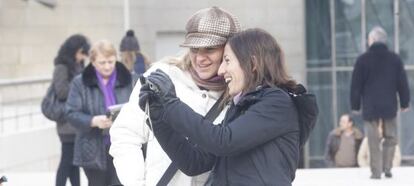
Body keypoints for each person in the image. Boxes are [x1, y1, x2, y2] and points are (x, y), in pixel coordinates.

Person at [139, 28, 300, 185]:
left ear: (253, 63)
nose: (221, 70)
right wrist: (159, 117)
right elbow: (193, 162)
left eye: (227, 60)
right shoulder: (240, 109)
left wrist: (171, 103)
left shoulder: (277, 103)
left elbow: (223, 142)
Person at [109, 7, 241, 186]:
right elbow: (125, 135)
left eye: (210, 49)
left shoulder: (242, 93)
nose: (200, 58)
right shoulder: (161, 77)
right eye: (194, 49)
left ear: (230, 50)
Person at [66, 40, 135, 186]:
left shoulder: (130, 79)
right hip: (93, 148)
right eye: (102, 63)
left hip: (123, 146)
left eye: (111, 61)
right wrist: (92, 121)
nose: (107, 66)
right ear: (92, 62)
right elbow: (70, 113)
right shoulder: (80, 83)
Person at [350, 26, 410, 179]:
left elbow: (356, 85)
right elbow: (402, 83)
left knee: (372, 139)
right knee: (391, 137)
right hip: (389, 105)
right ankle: (387, 167)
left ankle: (376, 172)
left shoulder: (363, 59)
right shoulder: (394, 59)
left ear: (372, 40)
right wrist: (404, 102)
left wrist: (355, 105)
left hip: (370, 106)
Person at [52, 34, 89, 186]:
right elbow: (61, 91)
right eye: (81, 53)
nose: (82, 57)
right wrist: (79, 87)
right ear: (73, 50)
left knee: (74, 162)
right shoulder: (62, 67)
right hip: (66, 123)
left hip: (77, 120)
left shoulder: (78, 66)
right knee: (67, 161)